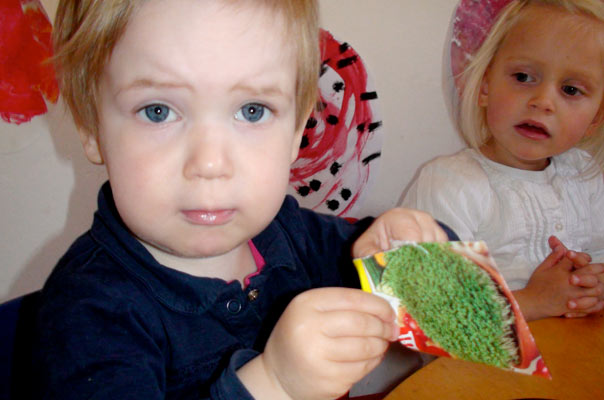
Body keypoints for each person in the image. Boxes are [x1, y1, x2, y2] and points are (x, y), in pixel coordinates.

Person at [32, 1, 454, 399]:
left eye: (252, 111)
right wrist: (273, 384)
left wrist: (410, 248)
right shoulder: (87, 316)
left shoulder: (298, 237)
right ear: (91, 128)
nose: (211, 163)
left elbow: (442, 301)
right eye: (158, 111)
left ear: (296, 131)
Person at [402, 0, 604, 322]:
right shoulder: (450, 185)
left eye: (570, 89)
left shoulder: (587, 177)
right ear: (484, 87)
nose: (543, 102)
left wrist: (593, 286)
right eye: (523, 77)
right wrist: (533, 301)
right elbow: (427, 313)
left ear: (595, 118)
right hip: (474, 368)